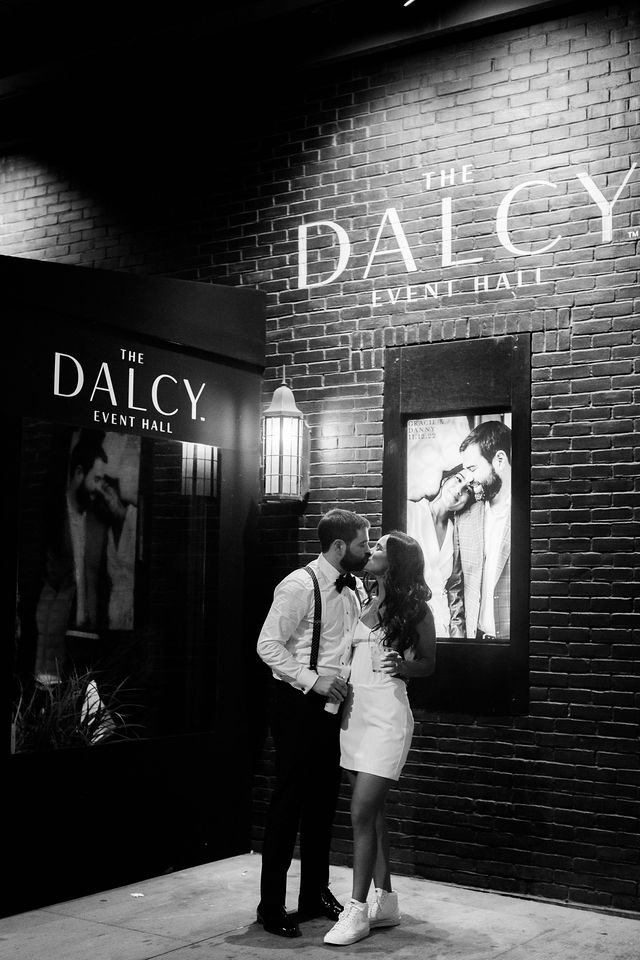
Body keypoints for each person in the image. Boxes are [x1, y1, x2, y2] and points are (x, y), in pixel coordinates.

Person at [256, 508, 371, 938]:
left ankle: (314, 894)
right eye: (363, 543)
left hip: (334, 706)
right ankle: (270, 906)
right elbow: (267, 645)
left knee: (324, 801)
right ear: (339, 546)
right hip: (296, 704)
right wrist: (312, 680)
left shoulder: (353, 587)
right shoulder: (299, 585)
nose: (366, 549)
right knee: (288, 802)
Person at [324, 531, 436, 946]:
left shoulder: (416, 610)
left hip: (388, 719)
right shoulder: (365, 600)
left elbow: (428, 664)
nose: (370, 552)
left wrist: (405, 667)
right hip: (355, 717)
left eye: (379, 549)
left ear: (396, 561)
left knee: (359, 813)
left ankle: (356, 912)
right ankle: (385, 900)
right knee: (371, 814)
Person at [34, 430, 109, 686]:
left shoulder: (96, 523)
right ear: (78, 474)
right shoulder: (54, 518)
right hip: (53, 636)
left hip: (86, 637)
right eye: (96, 479)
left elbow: (100, 580)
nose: (99, 487)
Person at [450, 421, 512, 640]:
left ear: (500, 460)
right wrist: (458, 638)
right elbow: (455, 586)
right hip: (474, 646)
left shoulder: (530, 514)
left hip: (518, 650)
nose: (470, 479)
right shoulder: (464, 517)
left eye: (474, 469)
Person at [407, 465, 472, 636]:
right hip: (411, 621)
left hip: (443, 625)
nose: (459, 490)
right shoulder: (411, 512)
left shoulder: (455, 532)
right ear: (445, 480)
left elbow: (454, 588)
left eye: (467, 490)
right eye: (458, 479)